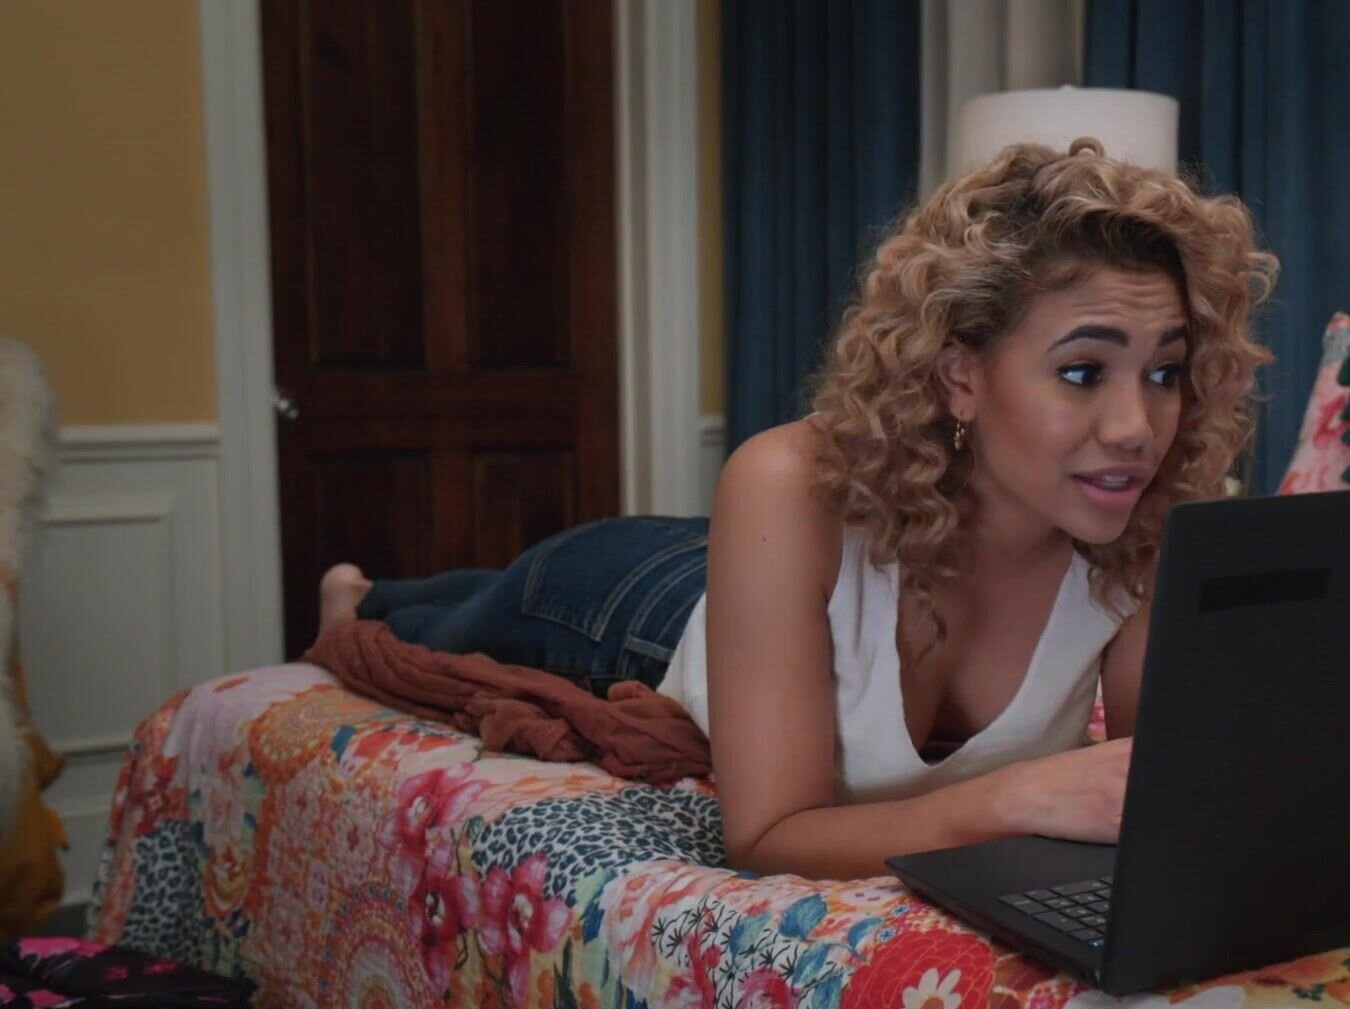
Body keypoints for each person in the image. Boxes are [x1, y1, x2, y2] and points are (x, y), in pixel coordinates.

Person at [319, 139, 1276, 879]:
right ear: (960, 376)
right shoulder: (783, 483)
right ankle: (356, 593)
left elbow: (1162, 792)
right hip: (639, 608)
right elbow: (767, 836)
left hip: (787, 579)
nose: (1137, 427)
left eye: (1165, 372)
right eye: (1082, 372)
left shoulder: (1145, 524)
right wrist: (1010, 800)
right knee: (442, 618)